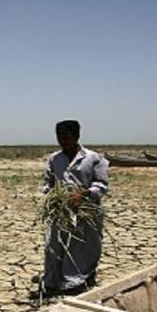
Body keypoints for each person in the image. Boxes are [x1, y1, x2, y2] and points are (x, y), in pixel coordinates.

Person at [35, 119, 109, 297]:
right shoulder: (54, 159)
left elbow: (102, 185)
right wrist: (52, 195)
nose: (63, 141)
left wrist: (82, 194)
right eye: (59, 138)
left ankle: (78, 280)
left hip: (86, 211)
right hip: (62, 212)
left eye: (66, 137)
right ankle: (52, 281)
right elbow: (48, 183)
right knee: (56, 245)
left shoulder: (93, 158)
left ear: (76, 136)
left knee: (83, 247)